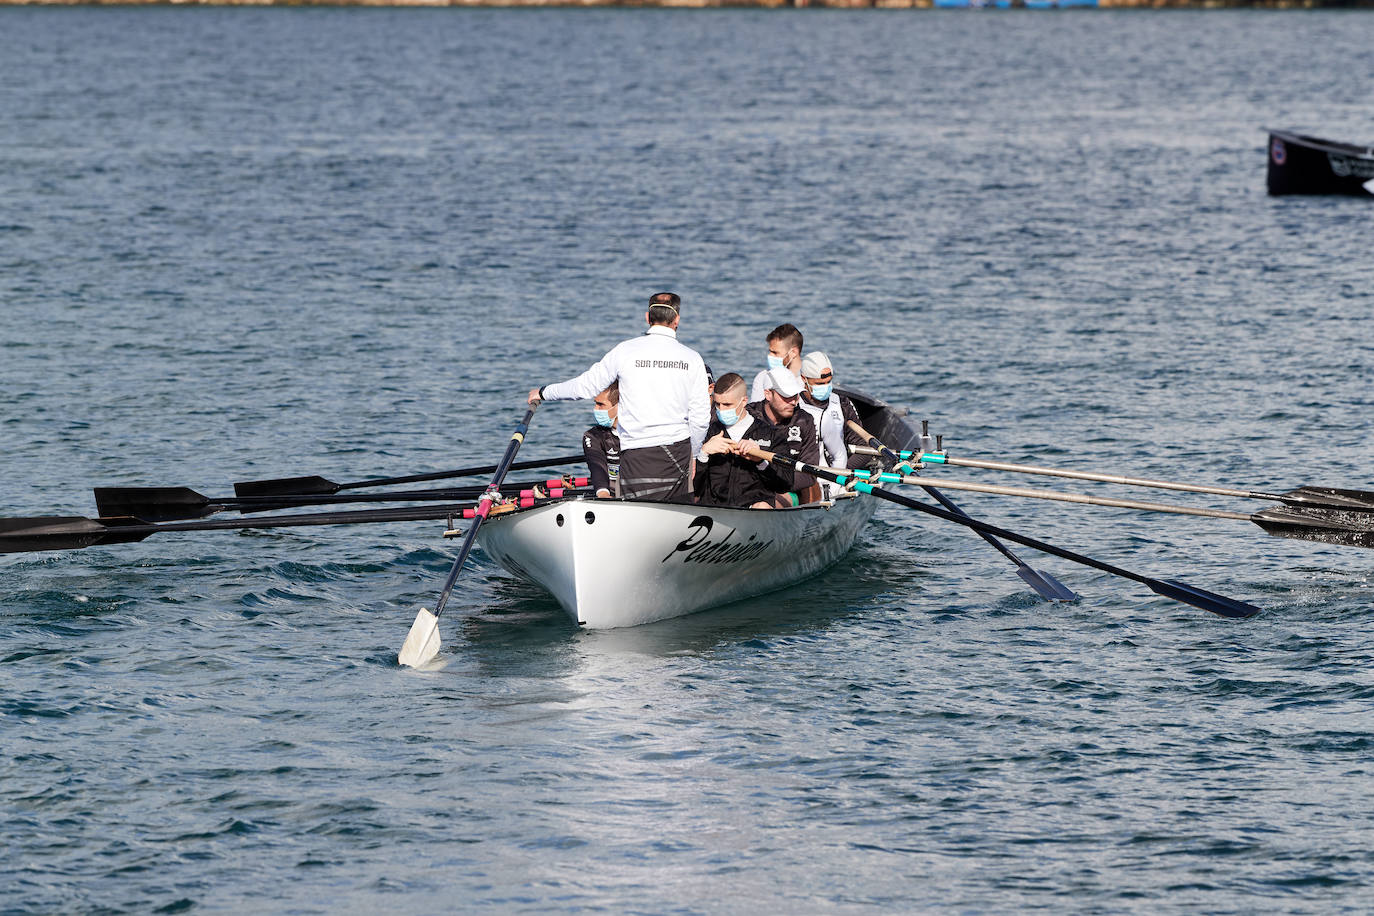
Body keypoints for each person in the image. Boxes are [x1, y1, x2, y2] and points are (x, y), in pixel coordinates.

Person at [528, 292, 709, 503]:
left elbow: (585, 387)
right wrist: (694, 455)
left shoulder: (625, 351)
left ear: (647, 317)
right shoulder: (692, 358)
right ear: (677, 320)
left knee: (638, 514)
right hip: (678, 454)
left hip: (636, 454)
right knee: (676, 517)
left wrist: (544, 392)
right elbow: (700, 418)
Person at [693, 372, 776, 509]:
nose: (721, 410)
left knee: (762, 507)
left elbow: (783, 485)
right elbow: (696, 489)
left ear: (744, 401)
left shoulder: (769, 433)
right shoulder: (708, 432)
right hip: (714, 510)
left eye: (727, 404)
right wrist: (703, 453)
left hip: (751, 511)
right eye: (718, 404)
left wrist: (760, 461)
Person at [796, 350, 864, 472]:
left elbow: (864, 448)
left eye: (828, 382)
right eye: (819, 383)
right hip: (804, 474)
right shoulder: (793, 404)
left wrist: (840, 474)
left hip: (838, 473)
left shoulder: (842, 404)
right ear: (804, 379)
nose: (825, 386)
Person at [582, 382, 621, 498]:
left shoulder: (641, 432)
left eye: (600, 404)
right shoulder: (593, 436)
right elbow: (597, 466)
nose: (595, 409)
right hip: (610, 495)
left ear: (619, 406)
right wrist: (603, 493)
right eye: (595, 403)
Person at [748, 323, 804, 403]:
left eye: (775, 353)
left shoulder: (810, 380)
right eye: (770, 351)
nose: (770, 356)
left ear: (793, 352)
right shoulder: (762, 378)